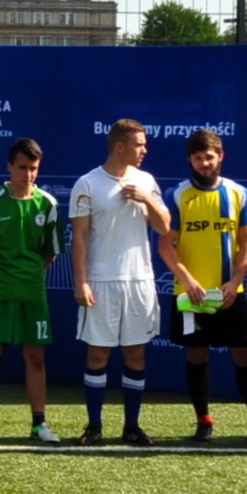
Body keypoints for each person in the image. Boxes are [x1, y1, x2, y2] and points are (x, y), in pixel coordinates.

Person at [68, 118, 171, 446]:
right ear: (119, 146)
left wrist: (146, 198)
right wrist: (81, 281)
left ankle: (132, 427)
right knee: (97, 356)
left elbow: (164, 226)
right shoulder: (87, 183)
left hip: (139, 282)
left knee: (136, 355)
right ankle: (94, 426)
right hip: (101, 282)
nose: (144, 150)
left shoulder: (146, 181)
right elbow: (79, 237)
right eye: (139, 145)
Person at [161, 128, 247, 441]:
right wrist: (189, 281)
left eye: (209, 157)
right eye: (198, 158)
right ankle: (203, 419)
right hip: (191, 295)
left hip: (231, 293)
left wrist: (236, 281)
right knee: (197, 355)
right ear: (189, 160)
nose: (204, 163)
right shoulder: (176, 195)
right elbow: (166, 246)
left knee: (246, 356)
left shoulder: (238, 193)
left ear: (221, 156)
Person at [0, 136, 63, 442]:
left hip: (32, 291)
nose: (28, 174)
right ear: (10, 166)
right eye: (22, 167)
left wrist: (29, 273)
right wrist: (1, 272)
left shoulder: (48, 204)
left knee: (35, 356)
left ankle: (39, 425)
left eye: (33, 168)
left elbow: (50, 254)